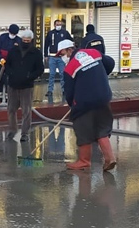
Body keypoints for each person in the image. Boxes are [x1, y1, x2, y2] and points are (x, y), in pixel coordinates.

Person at [60, 39, 117, 172]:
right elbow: (110, 63)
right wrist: (100, 76)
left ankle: (84, 161)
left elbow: (69, 92)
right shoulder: (93, 53)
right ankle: (110, 158)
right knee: (101, 128)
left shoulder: (69, 68)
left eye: (62, 53)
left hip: (84, 103)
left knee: (82, 129)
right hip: (104, 97)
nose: (61, 57)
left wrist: (72, 106)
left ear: (69, 50)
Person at [3, 30, 44, 142]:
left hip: (27, 86)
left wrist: (30, 76)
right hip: (13, 85)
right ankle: (12, 130)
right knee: (11, 109)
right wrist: (10, 73)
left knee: (26, 111)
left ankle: (25, 133)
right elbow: (7, 65)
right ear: (21, 39)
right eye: (24, 40)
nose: (26, 42)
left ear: (31, 40)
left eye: (28, 41)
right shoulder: (13, 51)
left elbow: (40, 69)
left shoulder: (36, 53)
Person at [43, 19, 73, 98]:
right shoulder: (50, 33)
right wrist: (45, 55)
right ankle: (50, 90)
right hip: (52, 56)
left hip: (61, 57)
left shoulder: (65, 33)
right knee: (52, 74)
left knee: (62, 74)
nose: (59, 26)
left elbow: (71, 41)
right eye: (57, 24)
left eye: (60, 24)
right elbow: (46, 44)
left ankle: (64, 90)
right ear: (54, 25)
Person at [0, 24, 19, 103]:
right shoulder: (2, 38)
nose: (13, 35)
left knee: (9, 81)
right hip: (1, 62)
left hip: (11, 64)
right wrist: (1, 58)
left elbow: (19, 52)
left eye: (14, 34)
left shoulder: (18, 40)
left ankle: (9, 99)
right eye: (12, 33)